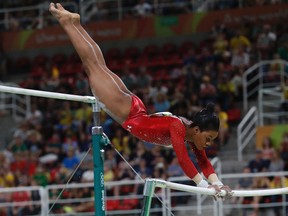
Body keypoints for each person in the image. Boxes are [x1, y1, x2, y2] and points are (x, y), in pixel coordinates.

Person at [49, 3, 232, 199]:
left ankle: (76, 25)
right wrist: (205, 187)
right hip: (128, 111)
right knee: (93, 66)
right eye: (208, 138)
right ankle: (68, 23)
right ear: (197, 130)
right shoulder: (179, 127)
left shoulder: (191, 133)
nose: (208, 143)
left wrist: (218, 184)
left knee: (98, 66)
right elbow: (183, 159)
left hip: (134, 110)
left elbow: (204, 162)